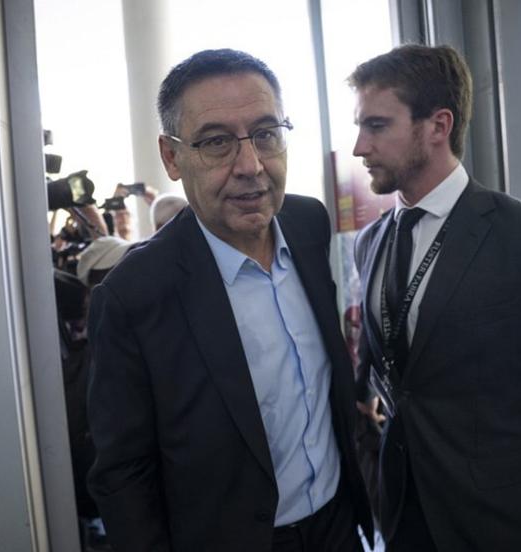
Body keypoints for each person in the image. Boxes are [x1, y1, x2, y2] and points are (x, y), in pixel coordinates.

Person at [349, 44, 521, 551]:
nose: (359, 147)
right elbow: (383, 374)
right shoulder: (371, 242)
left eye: (376, 126)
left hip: (510, 522)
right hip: (407, 520)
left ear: (437, 126)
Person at [86, 48, 374, 551]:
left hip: (338, 527)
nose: (251, 165)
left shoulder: (308, 225)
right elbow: (123, 475)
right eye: (217, 142)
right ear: (172, 157)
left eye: (266, 134)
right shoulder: (134, 295)